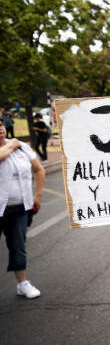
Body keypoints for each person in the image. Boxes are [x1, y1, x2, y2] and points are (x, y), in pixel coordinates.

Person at [0, 118, 45, 298]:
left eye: (1, 125)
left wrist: (38, 195)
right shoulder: (14, 145)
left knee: (18, 247)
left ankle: (23, 284)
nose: (0, 128)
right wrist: (12, 144)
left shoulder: (22, 148)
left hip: (20, 209)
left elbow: (39, 170)